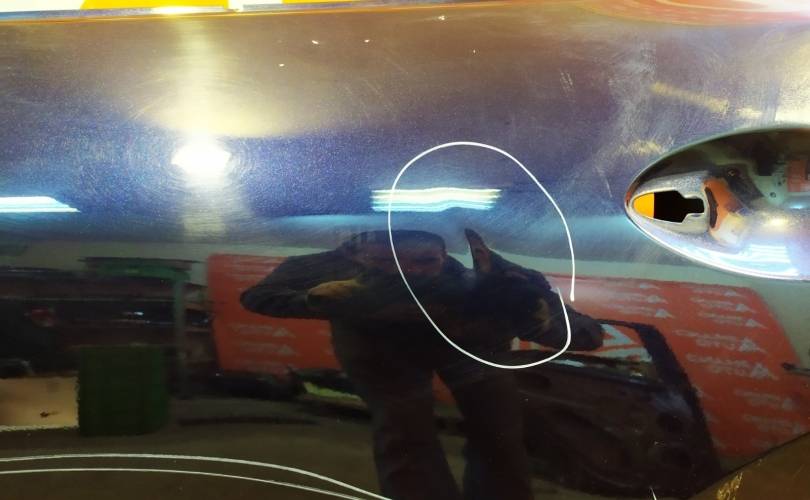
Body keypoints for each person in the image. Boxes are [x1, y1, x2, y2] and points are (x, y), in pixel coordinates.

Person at [241, 229, 602, 500]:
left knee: (499, 429)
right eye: (388, 262)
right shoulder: (328, 267)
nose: (408, 272)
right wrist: (312, 300)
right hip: (379, 351)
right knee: (404, 427)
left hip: (468, 346)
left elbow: (585, 334)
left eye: (424, 261)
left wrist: (541, 322)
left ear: (445, 255)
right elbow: (258, 296)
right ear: (358, 257)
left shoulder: (496, 279)